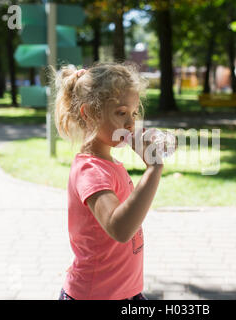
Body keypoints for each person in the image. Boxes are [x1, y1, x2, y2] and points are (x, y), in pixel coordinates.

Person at [53, 62, 163, 300]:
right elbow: (120, 228)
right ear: (88, 113)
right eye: (121, 113)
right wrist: (154, 168)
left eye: (133, 113)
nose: (131, 123)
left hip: (126, 292)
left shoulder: (109, 164)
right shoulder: (90, 170)